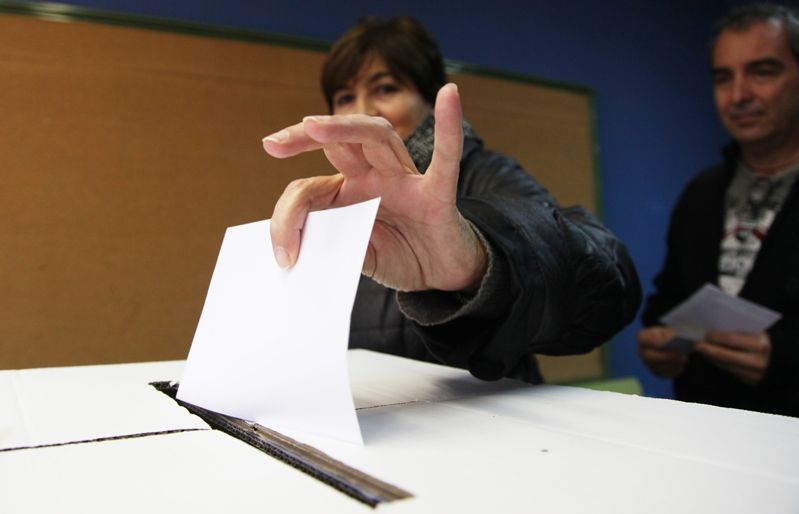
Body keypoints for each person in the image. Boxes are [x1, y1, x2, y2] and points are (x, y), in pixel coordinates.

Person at [263, 16, 641, 383]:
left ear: (429, 98)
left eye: (386, 89)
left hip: (487, 418)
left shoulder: (483, 171)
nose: (363, 110)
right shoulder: (340, 205)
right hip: (376, 419)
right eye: (345, 97)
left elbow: (611, 286)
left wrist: (478, 260)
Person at [638, 4, 799, 417]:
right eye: (723, 77)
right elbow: (669, 298)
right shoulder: (701, 193)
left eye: (763, 71)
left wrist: (785, 359)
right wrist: (658, 341)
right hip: (704, 427)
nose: (739, 95)